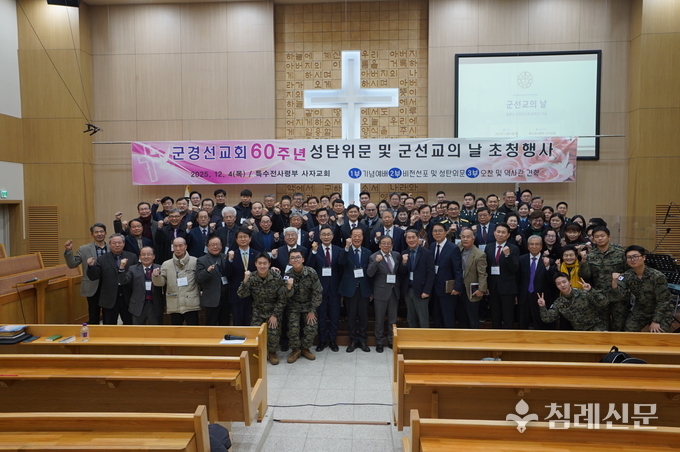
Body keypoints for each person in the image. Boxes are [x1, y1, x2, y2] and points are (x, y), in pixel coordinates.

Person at [237, 253, 292, 365]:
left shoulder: (276, 277)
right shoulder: (251, 277)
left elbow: (282, 299)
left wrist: (275, 315)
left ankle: (272, 352)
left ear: (269, 264)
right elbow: (241, 294)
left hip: (273, 310)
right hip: (257, 311)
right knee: (255, 335)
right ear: (255, 264)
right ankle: (257, 353)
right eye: (260, 263)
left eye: (265, 263)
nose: (262, 266)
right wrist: (245, 280)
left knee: (273, 333)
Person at [612, 245, 675, 333]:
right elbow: (620, 296)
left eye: (635, 256)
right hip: (641, 310)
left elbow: (663, 301)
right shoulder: (626, 276)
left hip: (661, 311)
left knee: (657, 335)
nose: (632, 260)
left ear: (644, 257)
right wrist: (614, 283)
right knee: (628, 333)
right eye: (629, 257)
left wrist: (656, 321)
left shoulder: (657, 276)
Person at [86, 233, 137, 325]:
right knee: (109, 326)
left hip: (127, 297)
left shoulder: (132, 257)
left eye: (119, 243)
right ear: (110, 244)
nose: (117, 245)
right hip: (109, 298)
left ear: (124, 244)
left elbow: (136, 276)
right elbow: (94, 277)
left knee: (130, 325)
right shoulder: (102, 259)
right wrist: (91, 266)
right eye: (114, 243)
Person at [64, 223, 109, 325]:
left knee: (109, 315)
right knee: (93, 315)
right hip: (92, 285)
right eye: (96, 232)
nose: (99, 234)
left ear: (105, 233)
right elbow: (72, 264)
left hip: (108, 286)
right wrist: (68, 251)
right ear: (92, 234)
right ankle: (93, 334)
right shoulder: (84, 249)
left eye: (101, 231)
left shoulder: (112, 247)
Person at [284, 250, 323, 363]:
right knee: (293, 328)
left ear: (303, 259)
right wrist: (289, 287)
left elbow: (317, 292)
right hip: (293, 306)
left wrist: (312, 310)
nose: (295, 260)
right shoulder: (287, 275)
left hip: (308, 305)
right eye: (292, 258)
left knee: (311, 327)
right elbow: (286, 296)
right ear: (289, 261)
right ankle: (295, 350)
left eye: (298, 257)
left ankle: (305, 349)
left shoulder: (311, 272)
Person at [367, 235, 405, 352]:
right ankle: (379, 342)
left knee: (392, 320)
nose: (386, 245)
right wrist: (376, 262)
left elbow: (400, 272)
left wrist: (404, 263)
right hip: (380, 292)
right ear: (379, 245)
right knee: (379, 319)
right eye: (383, 243)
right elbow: (369, 273)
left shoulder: (397, 255)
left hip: (394, 291)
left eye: (389, 243)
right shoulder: (374, 256)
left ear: (392, 245)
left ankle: (391, 340)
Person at [151, 237, 200, 325]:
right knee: (176, 330)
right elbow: (161, 283)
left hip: (191, 303)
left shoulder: (195, 261)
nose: (178, 249)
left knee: (193, 330)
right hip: (174, 303)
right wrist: (156, 276)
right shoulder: (166, 264)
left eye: (180, 246)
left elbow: (200, 278)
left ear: (185, 247)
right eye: (175, 246)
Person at [537, 273, 610, 331]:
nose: (562, 285)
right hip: (580, 331)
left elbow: (604, 303)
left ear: (570, 282)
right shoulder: (559, 303)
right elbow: (547, 319)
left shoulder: (583, 293)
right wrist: (542, 306)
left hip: (597, 326)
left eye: (564, 282)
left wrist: (591, 290)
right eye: (558, 284)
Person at [310, 226, 343, 352]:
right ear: (319, 236)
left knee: (334, 315)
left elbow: (341, 269)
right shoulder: (315, 250)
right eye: (323, 234)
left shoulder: (338, 250)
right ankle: (322, 340)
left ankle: (333, 340)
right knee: (321, 315)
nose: (326, 237)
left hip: (335, 288)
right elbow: (310, 267)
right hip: (319, 288)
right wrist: (313, 252)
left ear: (333, 236)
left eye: (328, 234)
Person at [338, 228, 372, 353]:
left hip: (364, 288)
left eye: (359, 236)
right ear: (350, 237)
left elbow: (370, 273)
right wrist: (347, 248)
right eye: (354, 236)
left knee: (363, 317)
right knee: (351, 316)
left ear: (363, 237)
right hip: (349, 289)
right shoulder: (344, 251)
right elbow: (341, 262)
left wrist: (371, 291)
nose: (357, 238)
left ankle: (362, 340)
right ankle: (352, 340)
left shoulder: (368, 252)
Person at [588, 226, 628, 331]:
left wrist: (620, 280)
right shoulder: (590, 255)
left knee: (619, 325)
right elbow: (587, 275)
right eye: (596, 237)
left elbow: (629, 273)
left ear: (609, 237)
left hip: (618, 294)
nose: (600, 238)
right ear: (593, 239)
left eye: (602, 236)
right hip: (600, 294)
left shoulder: (620, 252)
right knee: (602, 326)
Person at [484, 223, 520, 329]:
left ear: (508, 235)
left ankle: (508, 337)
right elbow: (486, 267)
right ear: (494, 233)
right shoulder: (489, 247)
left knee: (508, 316)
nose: (500, 234)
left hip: (507, 288)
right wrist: (486, 286)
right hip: (493, 287)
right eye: (498, 232)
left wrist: (508, 255)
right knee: (495, 316)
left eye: (503, 232)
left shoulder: (514, 248)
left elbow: (515, 268)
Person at [117, 246, 164, 325]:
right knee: (137, 331)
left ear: (153, 256)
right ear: (139, 257)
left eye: (149, 254)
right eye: (143, 254)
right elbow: (123, 281)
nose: (146, 257)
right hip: (138, 306)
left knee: (156, 330)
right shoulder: (133, 269)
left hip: (155, 305)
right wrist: (121, 267)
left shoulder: (160, 268)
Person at [517, 236, 556, 330]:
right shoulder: (521, 259)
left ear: (541, 246)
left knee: (539, 324)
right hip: (524, 296)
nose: (534, 246)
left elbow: (552, 280)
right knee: (522, 324)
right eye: (531, 244)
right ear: (528, 246)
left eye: (537, 244)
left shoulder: (549, 261)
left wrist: (547, 267)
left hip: (541, 297)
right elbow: (517, 278)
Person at [430, 222, 464, 328]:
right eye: (435, 231)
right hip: (434, 288)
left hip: (448, 289)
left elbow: (458, 270)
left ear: (445, 232)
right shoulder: (432, 246)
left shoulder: (453, 248)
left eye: (440, 231)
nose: (437, 233)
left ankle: (450, 337)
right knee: (437, 317)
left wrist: (457, 287)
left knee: (448, 317)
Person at [401, 229, 435, 328]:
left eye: (413, 237)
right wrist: (404, 263)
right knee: (411, 318)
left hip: (421, 290)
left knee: (423, 318)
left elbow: (431, 274)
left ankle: (425, 338)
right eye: (408, 238)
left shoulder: (426, 253)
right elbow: (401, 273)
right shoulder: (404, 253)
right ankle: (413, 337)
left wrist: (427, 291)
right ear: (406, 240)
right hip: (408, 290)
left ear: (418, 238)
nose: (411, 240)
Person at [225, 228, 259, 326]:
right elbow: (227, 274)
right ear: (236, 240)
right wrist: (230, 260)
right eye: (240, 237)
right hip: (237, 294)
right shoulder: (231, 255)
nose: (243, 239)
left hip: (253, 294)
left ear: (250, 238)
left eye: (245, 237)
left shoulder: (257, 254)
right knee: (237, 322)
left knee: (251, 322)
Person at [196, 235, 230, 326]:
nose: (215, 247)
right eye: (212, 245)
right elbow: (199, 278)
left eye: (218, 244)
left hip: (226, 299)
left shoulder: (226, 257)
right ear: (207, 246)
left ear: (221, 246)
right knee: (211, 325)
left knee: (225, 324)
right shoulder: (201, 260)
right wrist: (207, 271)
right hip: (211, 300)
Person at [457, 228, 487, 328]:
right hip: (459, 288)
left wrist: (481, 290)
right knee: (461, 316)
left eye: (468, 237)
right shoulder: (458, 248)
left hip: (471, 290)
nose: (465, 239)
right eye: (463, 237)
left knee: (472, 318)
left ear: (473, 239)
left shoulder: (479, 254)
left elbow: (482, 274)